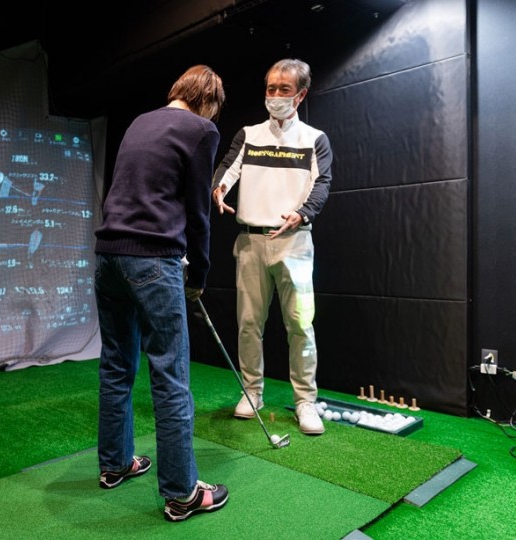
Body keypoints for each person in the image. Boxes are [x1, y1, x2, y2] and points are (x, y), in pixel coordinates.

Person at [94, 64, 229, 522]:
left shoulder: (140, 121)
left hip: (108, 255)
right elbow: (198, 211)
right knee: (170, 376)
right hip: (152, 260)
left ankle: (116, 464)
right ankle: (182, 493)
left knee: (116, 366)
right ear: (208, 101)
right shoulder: (202, 130)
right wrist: (199, 274)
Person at [211, 58, 332, 436]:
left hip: (294, 242)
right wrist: (219, 188)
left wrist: (304, 212)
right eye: (270, 88)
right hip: (251, 242)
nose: (275, 95)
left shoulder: (314, 138)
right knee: (249, 323)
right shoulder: (249, 134)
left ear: (301, 95)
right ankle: (252, 392)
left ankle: (305, 400)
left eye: (284, 89)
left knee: (300, 324)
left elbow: (322, 183)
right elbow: (228, 167)